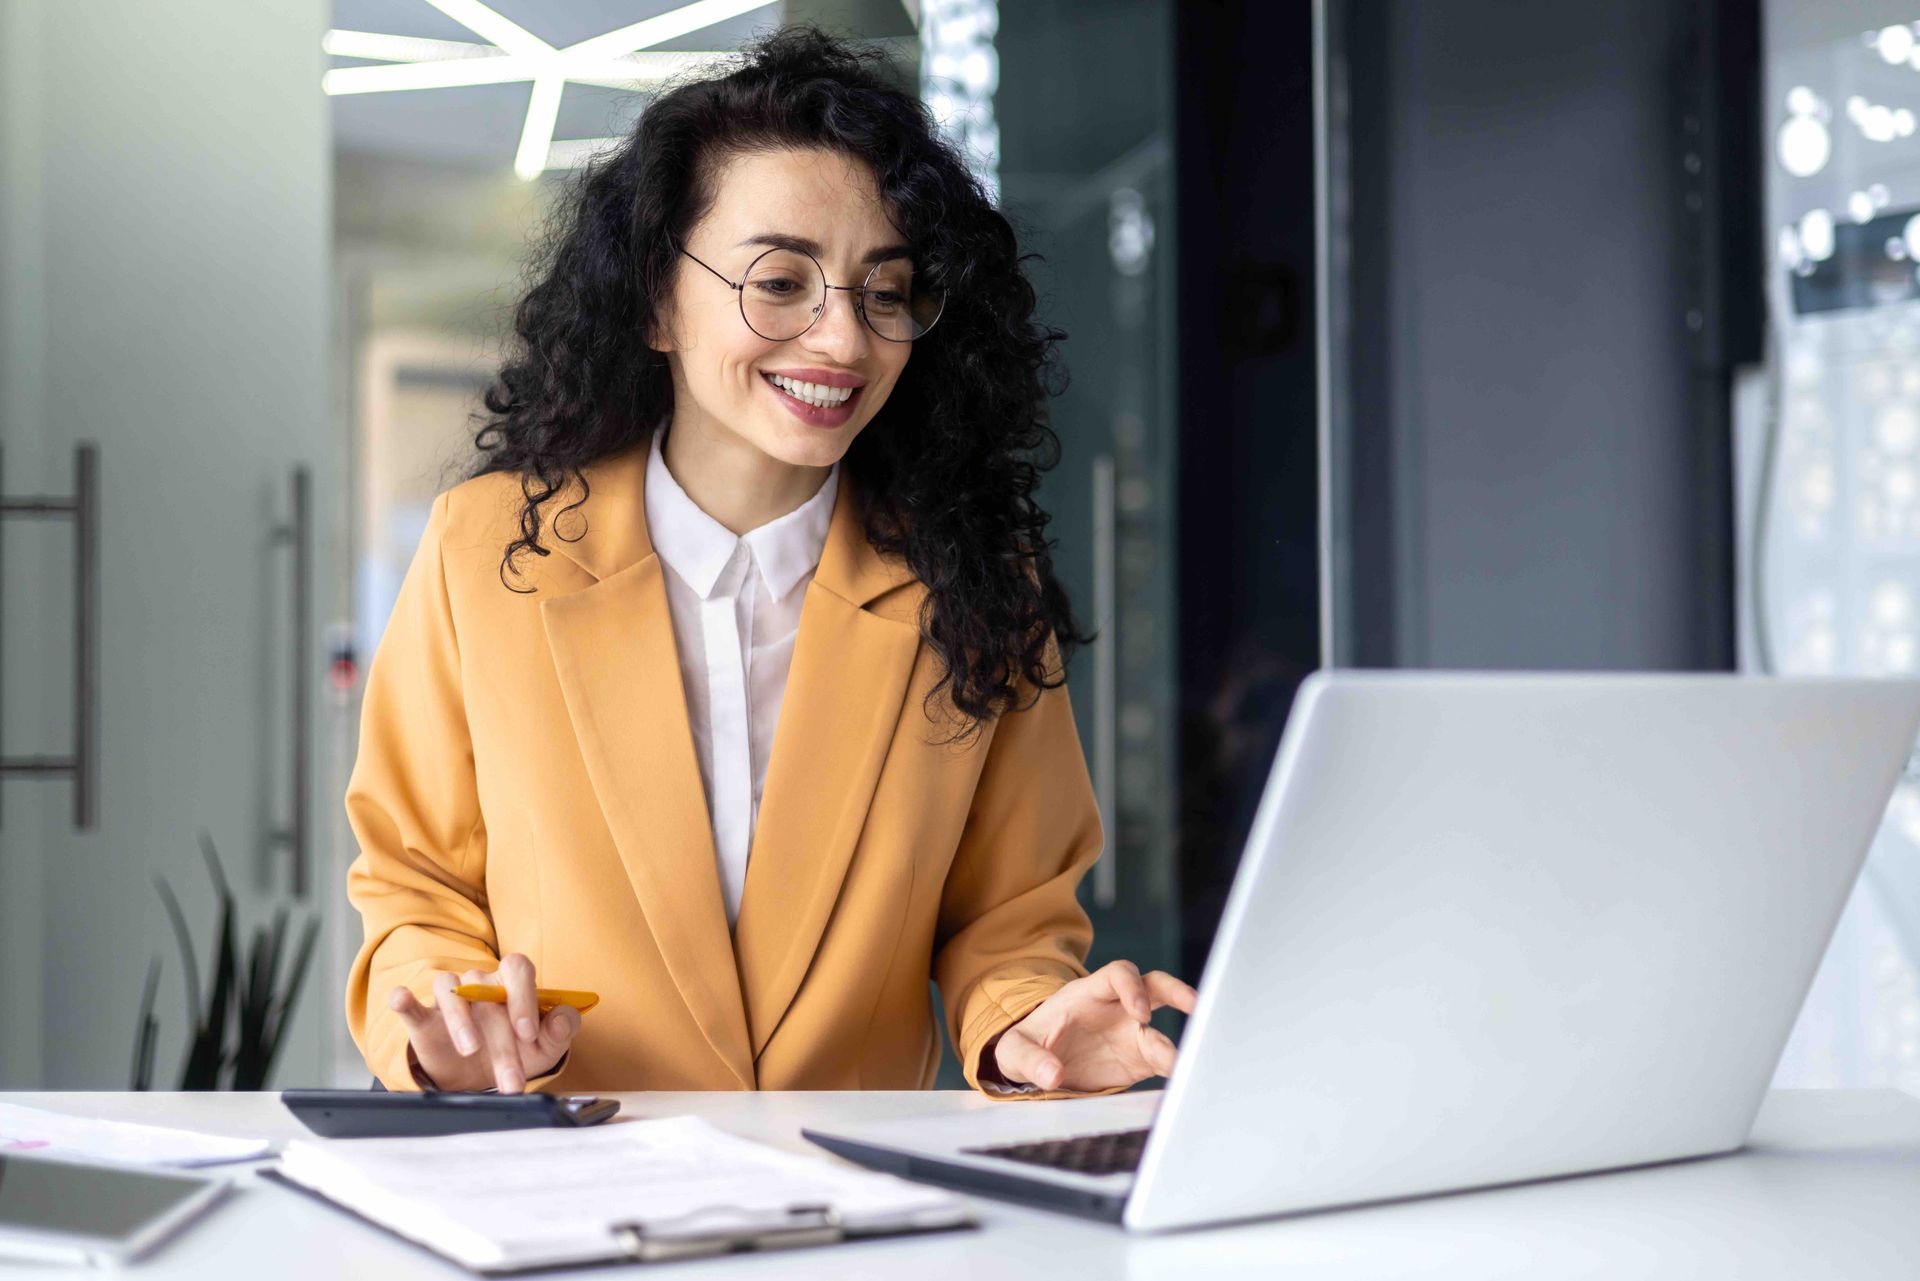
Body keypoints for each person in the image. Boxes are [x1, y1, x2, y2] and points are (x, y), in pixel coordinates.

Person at [343, 26, 1194, 1099]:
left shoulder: (977, 578)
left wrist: (1024, 1025)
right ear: (657, 299)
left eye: (884, 293)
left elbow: (1011, 916)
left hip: (861, 1205)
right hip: (564, 1188)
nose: (842, 340)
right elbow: (417, 883)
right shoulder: (486, 551)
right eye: (781, 281)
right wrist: (451, 1022)